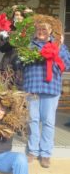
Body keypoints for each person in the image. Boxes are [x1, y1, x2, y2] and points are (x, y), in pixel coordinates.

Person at [22, 14, 70, 168]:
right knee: (33, 120)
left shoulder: (59, 46)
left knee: (48, 122)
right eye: (39, 28)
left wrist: (56, 52)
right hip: (32, 88)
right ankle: (32, 150)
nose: (41, 31)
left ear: (50, 31)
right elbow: (19, 63)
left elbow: (67, 65)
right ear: (35, 30)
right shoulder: (28, 46)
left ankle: (46, 153)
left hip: (51, 88)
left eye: (45, 28)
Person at [0, 5, 34, 89]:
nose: (19, 17)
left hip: (23, 64)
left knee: (22, 92)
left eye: (21, 15)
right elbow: (1, 48)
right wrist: (13, 40)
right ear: (13, 16)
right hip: (8, 63)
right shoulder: (7, 29)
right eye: (16, 14)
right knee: (8, 92)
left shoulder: (30, 30)